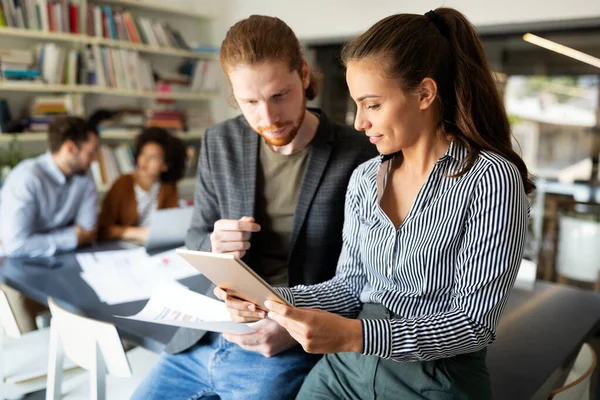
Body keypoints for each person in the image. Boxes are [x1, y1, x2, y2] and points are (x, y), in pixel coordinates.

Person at [220, 8, 535, 400]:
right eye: (356, 105)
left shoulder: (490, 179)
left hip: (433, 380)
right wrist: (267, 297)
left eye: (371, 105)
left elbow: (473, 324)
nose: (358, 122)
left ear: (424, 94)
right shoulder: (365, 179)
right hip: (343, 373)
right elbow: (349, 287)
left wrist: (356, 334)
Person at [132, 15, 376, 400]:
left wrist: (292, 328)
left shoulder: (360, 153)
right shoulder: (219, 141)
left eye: (280, 95)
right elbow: (196, 235)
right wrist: (214, 243)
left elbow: (368, 276)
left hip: (285, 344)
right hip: (207, 334)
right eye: (250, 102)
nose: (268, 118)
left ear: (304, 75)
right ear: (233, 95)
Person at [0, 115, 98, 332]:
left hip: (59, 264)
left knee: (96, 309)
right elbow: (16, 246)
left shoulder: (84, 175)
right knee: (26, 336)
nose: (95, 160)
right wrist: (71, 237)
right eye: (91, 152)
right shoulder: (27, 178)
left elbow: (88, 231)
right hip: (11, 269)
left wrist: (43, 240)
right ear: (70, 148)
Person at [97, 127, 187, 242]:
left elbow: (171, 225)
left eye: (153, 157)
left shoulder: (168, 187)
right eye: (143, 154)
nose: (144, 161)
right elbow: (103, 229)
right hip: (123, 247)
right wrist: (135, 233)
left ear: (165, 165)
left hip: (154, 245)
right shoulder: (123, 183)